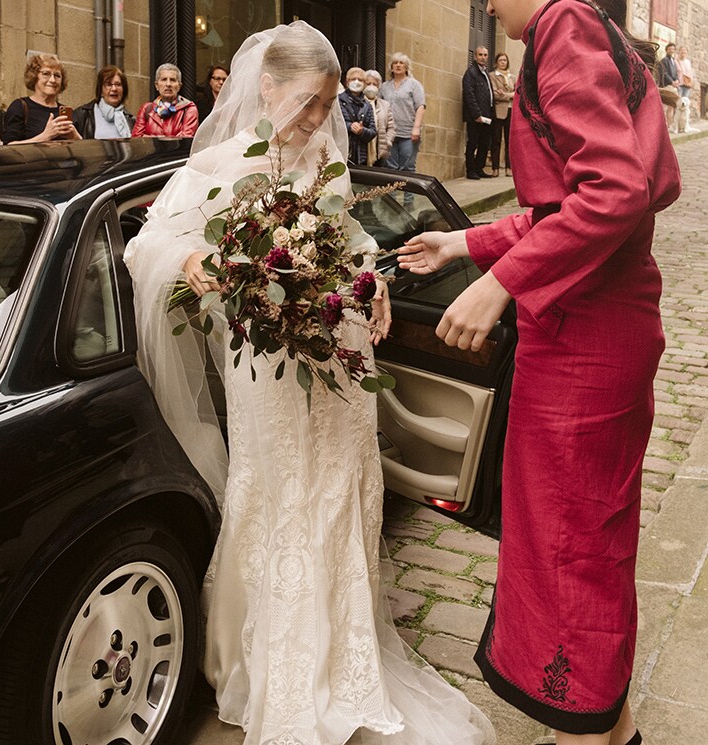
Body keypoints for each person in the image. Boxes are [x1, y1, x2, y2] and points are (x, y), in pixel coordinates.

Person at [124, 20, 495, 745]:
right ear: (267, 89)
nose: (321, 120)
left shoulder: (326, 160)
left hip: (339, 360)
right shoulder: (226, 163)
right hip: (264, 367)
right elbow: (150, 242)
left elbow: (350, 241)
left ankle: (344, 654)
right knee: (276, 495)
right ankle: (270, 659)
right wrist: (196, 265)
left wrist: (371, 282)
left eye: (328, 104)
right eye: (310, 103)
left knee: (339, 494)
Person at [398, 0, 680, 743]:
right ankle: (608, 730)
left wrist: (500, 282)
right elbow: (565, 204)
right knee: (581, 537)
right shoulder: (582, 30)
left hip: (586, 335)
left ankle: (582, 728)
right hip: (593, 327)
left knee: (569, 547)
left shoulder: (564, 28)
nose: (484, 2)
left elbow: (612, 193)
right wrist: (463, 246)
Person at [2, 53, 81, 144]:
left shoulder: (66, 112)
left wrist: (77, 138)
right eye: (46, 74)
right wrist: (45, 136)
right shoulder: (20, 107)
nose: (52, 80)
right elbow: (9, 146)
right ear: (34, 76)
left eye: (57, 75)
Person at [379, 53, 425, 173]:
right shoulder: (384, 86)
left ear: (406, 67)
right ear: (391, 67)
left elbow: (420, 106)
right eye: (395, 63)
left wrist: (416, 128)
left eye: (401, 63)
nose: (398, 65)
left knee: (407, 166)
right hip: (389, 133)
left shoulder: (414, 85)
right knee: (391, 167)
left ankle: (408, 192)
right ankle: (393, 192)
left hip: (408, 133)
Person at [131, 63, 199, 137]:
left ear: (179, 86)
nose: (168, 84)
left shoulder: (189, 108)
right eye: (164, 79)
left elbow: (185, 139)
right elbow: (136, 138)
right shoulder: (147, 109)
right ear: (157, 85)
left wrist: (151, 138)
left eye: (172, 80)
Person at [73, 65, 135, 139]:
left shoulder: (131, 119)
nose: (114, 89)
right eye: (108, 84)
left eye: (118, 84)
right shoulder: (82, 115)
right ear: (101, 91)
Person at [462, 46, 494, 180]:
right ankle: (470, 170)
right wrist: (476, 115)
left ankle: (479, 168)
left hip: (487, 115)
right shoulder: (471, 73)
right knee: (473, 142)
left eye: (485, 55)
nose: (483, 57)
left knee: (484, 143)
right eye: (480, 55)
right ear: (475, 56)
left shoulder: (485, 72)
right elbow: (469, 95)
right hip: (476, 116)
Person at [338, 66, 376, 165]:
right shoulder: (338, 101)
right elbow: (334, 124)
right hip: (341, 151)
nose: (356, 82)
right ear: (347, 82)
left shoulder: (368, 105)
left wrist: (362, 131)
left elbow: (373, 131)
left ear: (364, 84)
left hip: (360, 156)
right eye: (353, 79)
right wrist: (350, 126)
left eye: (360, 80)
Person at [489, 53, 514, 177]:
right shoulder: (492, 76)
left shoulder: (512, 77)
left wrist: (505, 94)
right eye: (500, 60)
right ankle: (495, 168)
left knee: (510, 141)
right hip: (498, 111)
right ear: (496, 62)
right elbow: (495, 94)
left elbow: (517, 93)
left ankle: (509, 167)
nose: (503, 62)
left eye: (505, 60)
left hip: (511, 111)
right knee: (496, 140)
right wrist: (510, 95)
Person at [364, 69, 395, 166]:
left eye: (375, 84)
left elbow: (391, 127)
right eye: (368, 83)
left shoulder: (385, 105)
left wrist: (387, 142)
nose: (371, 87)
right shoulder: (359, 103)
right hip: (362, 151)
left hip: (380, 151)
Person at [656, 43, 679, 129]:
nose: (671, 50)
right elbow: (664, 73)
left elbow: (675, 73)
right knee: (664, 108)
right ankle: (663, 126)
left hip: (673, 86)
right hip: (667, 86)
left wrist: (676, 80)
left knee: (672, 107)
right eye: (670, 49)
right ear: (666, 50)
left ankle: (669, 126)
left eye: (673, 49)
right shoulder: (664, 61)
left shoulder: (673, 61)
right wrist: (672, 82)